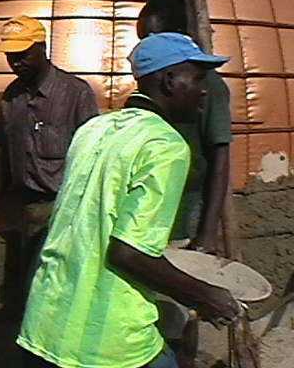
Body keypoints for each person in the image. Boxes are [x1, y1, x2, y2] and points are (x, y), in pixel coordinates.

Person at [17, 33, 240, 368]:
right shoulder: (165, 145)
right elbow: (127, 252)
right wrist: (207, 296)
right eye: (196, 79)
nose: (204, 90)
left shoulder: (94, 129)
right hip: (104, 340)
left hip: (45, 322)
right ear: (169, 80)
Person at [0, 15, 98, 306]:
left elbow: (94, 157)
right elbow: (1, 155)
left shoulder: (75, 93)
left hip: (64, 210)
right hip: (27, 210)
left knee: (59, 293)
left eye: (23, 54)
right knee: (33, 292)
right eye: (11, 56)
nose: (16, 62)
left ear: (42, 47)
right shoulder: (13, 98)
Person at [137, 0, 232, 368]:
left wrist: (206, 234)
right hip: (151, 208)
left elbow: (220, 155)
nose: (147, 48)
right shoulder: (154, 83)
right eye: (143, 40)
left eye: (154, 38)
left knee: (181, 305)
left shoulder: (207, 86)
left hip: (184, 207)